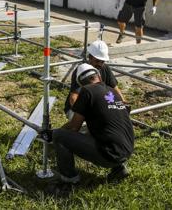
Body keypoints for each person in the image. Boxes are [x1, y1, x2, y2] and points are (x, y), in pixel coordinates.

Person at [45, 63, 134, 192]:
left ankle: (69, 180)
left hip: (109, 155)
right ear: (98, 76)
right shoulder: (112, 91)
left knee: (60, 136)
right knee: (103, 129)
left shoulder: (87, 91)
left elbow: (74, 127)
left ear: (80, 83)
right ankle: (119, 168)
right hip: (127, 149)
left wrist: (53, 133)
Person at [64, 40, 124, 119]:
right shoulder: (81, 71)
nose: (99, 64)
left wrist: (123, 104)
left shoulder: (105, 68)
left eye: (102, 61)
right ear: (90, 57)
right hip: (77, 108)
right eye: (97, 61)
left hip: (97, 106)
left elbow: (115, 89)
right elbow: (73, 98)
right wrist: (87, 115)